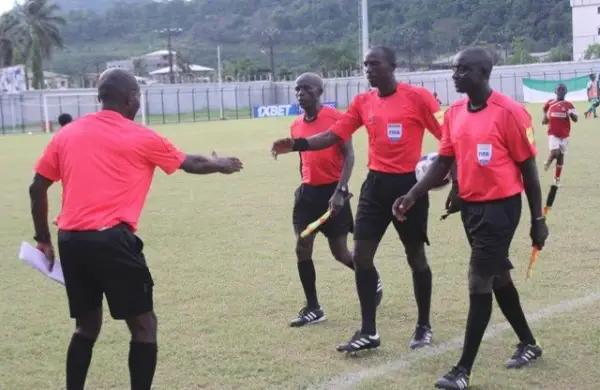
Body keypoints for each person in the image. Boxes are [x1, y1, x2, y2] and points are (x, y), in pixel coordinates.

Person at [28, 68, 243, 390]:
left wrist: (43, 240)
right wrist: (222, 165)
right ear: (131, 99)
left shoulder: (67, 134)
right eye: (138, 96)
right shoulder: (140, 136)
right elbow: (191, 163)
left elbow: (36, 188)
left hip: (71, 240)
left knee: (86, 327)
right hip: (112, 241)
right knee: (144, 326)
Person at [392, 47, 548, 389]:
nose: (454, 75)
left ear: (482, 72)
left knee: (478, 282)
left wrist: (538, 219)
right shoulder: (456, 112)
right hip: (472, 209)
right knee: (498, 279)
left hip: (501, 209)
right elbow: (444, 161)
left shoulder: (510, 112)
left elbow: (530, 172)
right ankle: (529, 343)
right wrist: (413, 193)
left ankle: (462, 370)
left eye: (462, 70)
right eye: (454, 69)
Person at [271, 46, 444, 353]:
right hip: (374, 187)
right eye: (365, 65)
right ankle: (368, 331)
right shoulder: (363, 102)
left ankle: (423, 325)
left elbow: (448, 136)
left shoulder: (418, 98)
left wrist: (443, 174)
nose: (368, 69)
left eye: (374, 64)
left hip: (408, 187)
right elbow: (333, 135)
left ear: (393, 65)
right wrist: (298, 144)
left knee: (415, 257)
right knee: (361, 257)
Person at [287, 72, 383, 327]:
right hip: (307, 194)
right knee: (302, 247)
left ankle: (371, 279)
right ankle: (313, 308)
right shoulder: (296, 125)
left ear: (319, 92)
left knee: (340, 253)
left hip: (334, 193)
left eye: (306, 88)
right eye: (297, 89)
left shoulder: (337, 119)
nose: (300, 93)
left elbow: (349, 156)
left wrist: (340, 191)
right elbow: (302, 159)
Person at [541, 83, 577, 185]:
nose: (560, 93)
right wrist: (545, 117)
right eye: (559, 91)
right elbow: (544, 108)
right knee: (555, 152)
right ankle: (548, 163)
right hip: (553, 133)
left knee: (560, 157)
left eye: (562, 91)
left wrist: (571, 113)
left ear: (565, 92)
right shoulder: (551, 103)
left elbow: (576, 119)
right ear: (555, 92)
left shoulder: (569, 105)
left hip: (564, 135)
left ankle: (556, 179)